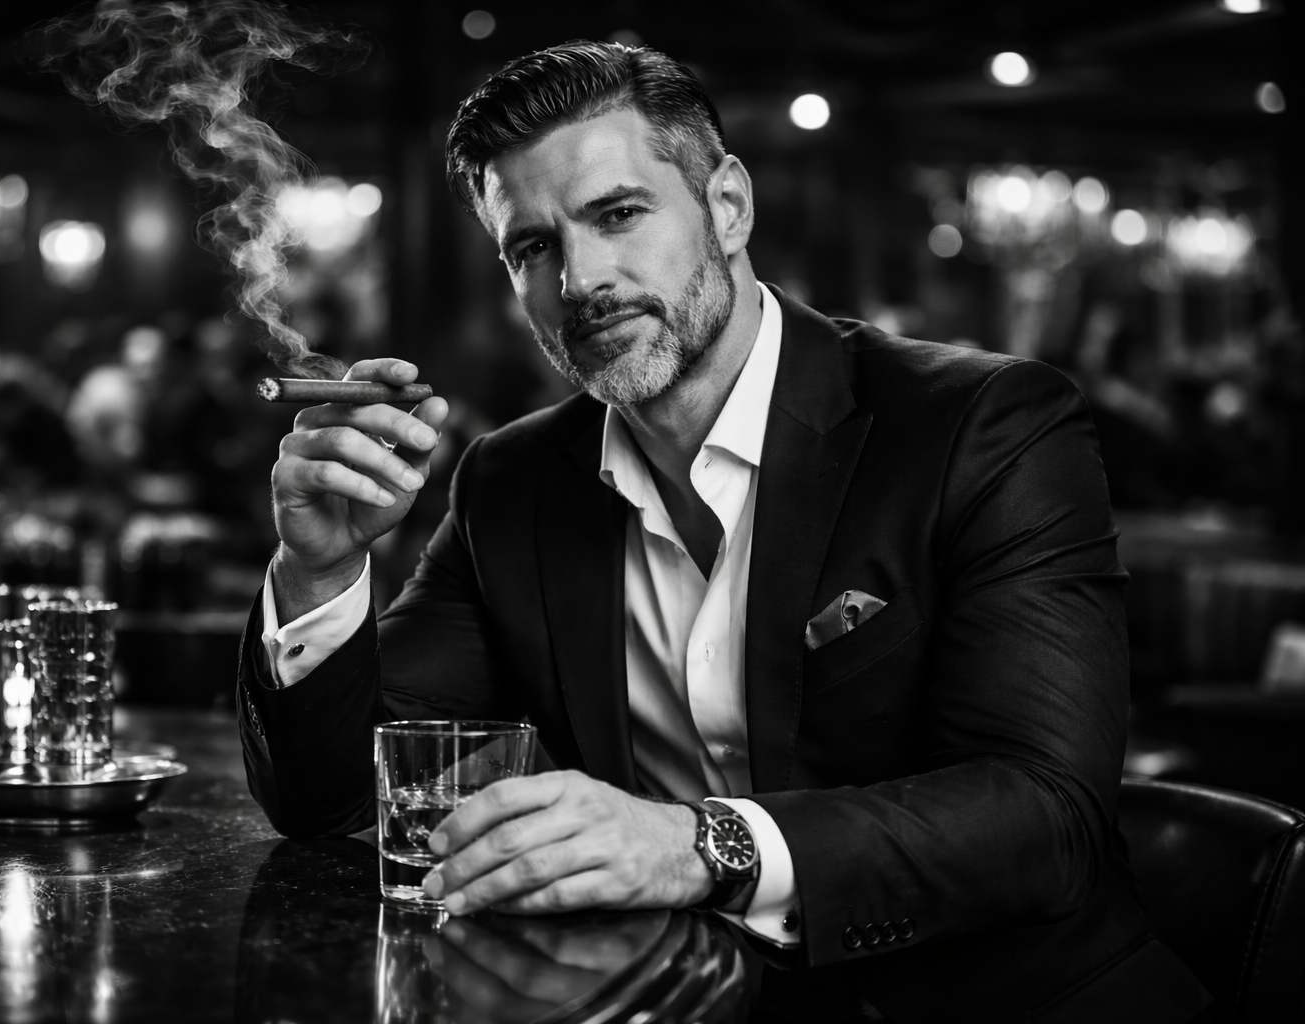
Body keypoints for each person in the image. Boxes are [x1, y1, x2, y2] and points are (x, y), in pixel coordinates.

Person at [237, 41, 1211, 1021]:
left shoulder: (984, 425)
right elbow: (335, 799)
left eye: (618, 214)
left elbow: (1046, 817)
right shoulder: (513, 482)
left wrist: (700, 844)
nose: (579, 279)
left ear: (729, 206)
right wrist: (319, 566)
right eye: (531, 247)